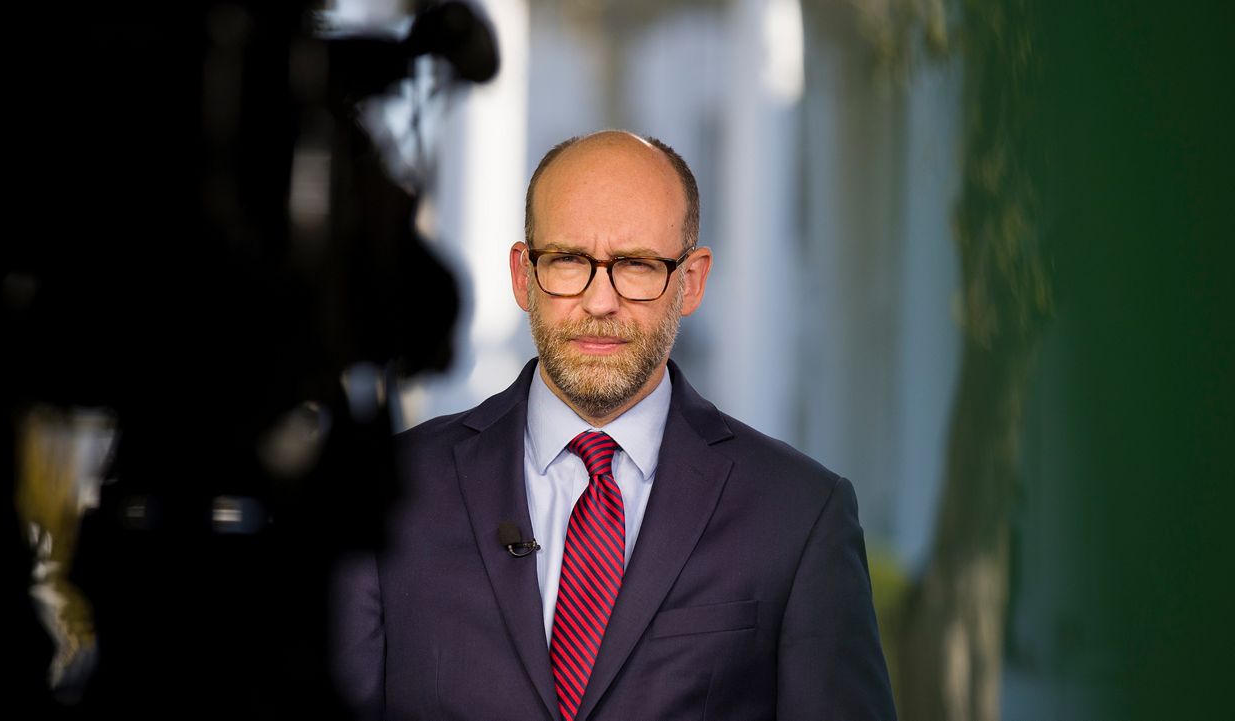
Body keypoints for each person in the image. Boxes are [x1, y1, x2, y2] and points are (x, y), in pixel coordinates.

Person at [333, 130, 896, 720]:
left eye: (636, 265)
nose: (600, 302)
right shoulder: (384, 492)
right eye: (569, 260)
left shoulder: (800, 514)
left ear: (692, 282)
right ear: (524, 275)